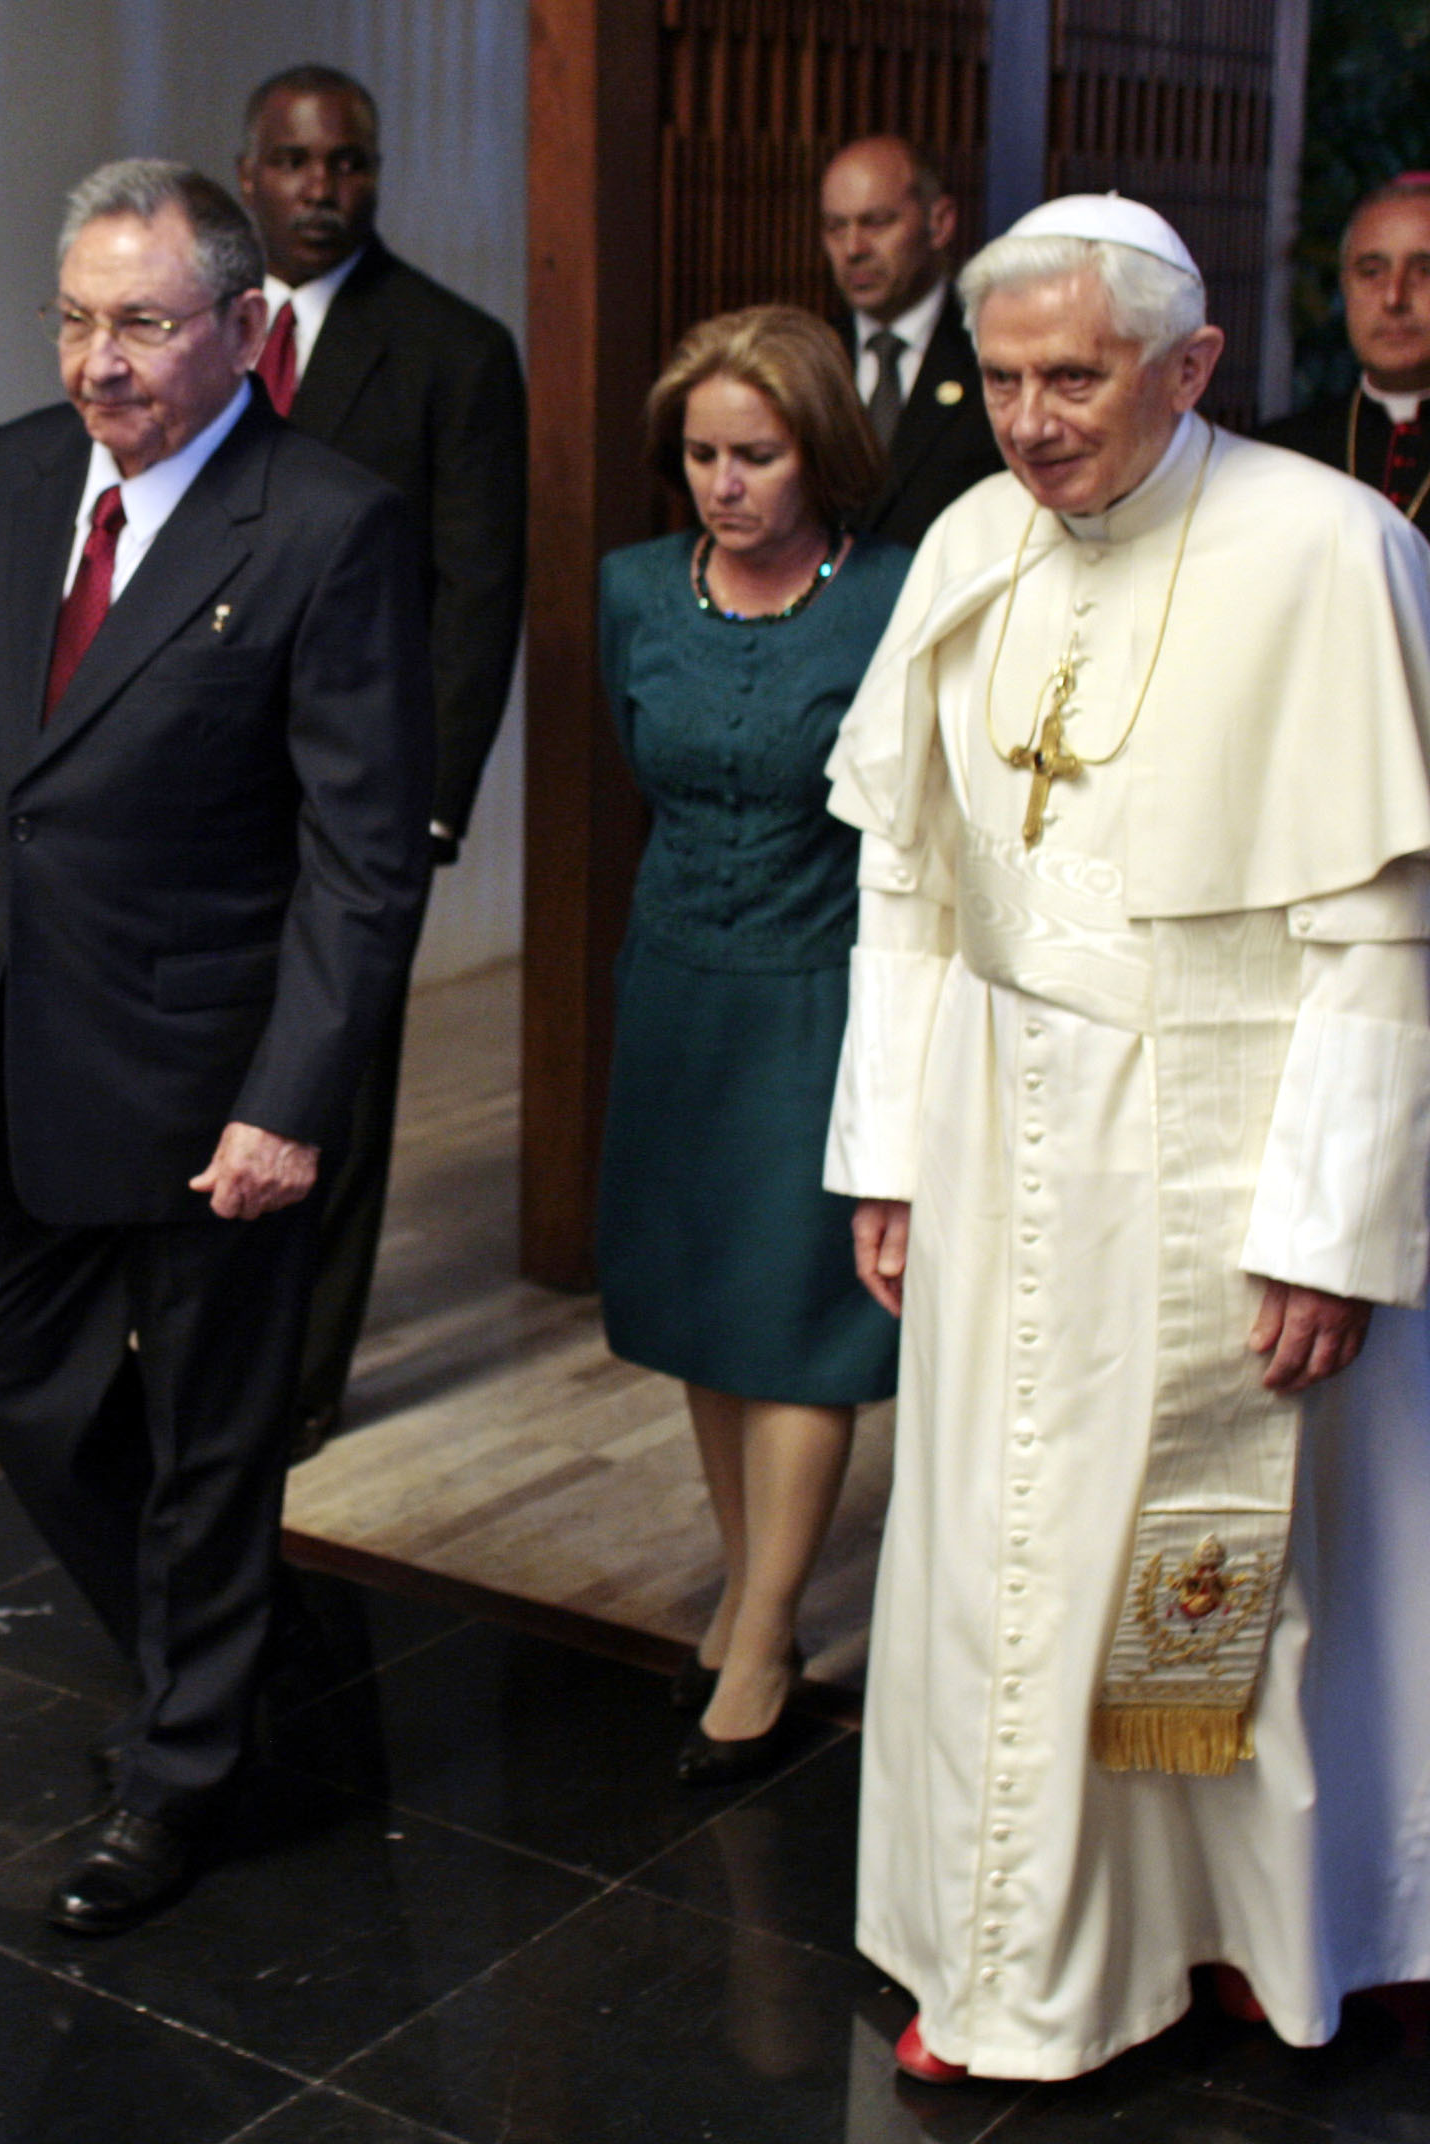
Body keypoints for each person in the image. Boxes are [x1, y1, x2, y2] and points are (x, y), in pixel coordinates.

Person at [823, 193, 1430, 2083]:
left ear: (1189, 365)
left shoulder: (1328, 551)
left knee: (1206, 1571)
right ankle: (1025, 1960)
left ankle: (1242, 1924)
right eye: (1005, 378)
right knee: (1005, 1561)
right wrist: (884, 1146)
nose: (1029, 421)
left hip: (1222, 1151)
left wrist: (1333, 1225)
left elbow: (1389, 924)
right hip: (1000, 1124)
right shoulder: (970, 542)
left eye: (1073, 379)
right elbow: (908, 878)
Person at [0, 158, 432, 1937]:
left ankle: (184, 1770)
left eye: (140, 323)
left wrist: (292, 1099)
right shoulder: (13, 470)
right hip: (2, 1035)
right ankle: (230, 1644)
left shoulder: (327, 524)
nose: (98, 362)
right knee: (1, 1350)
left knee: (209, 1439)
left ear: (241, 327)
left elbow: (360, 858)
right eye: (73, 321)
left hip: (211, 1076)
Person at [594, 306, 908, 1788]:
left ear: (820, 452)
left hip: (819, 991)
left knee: (794, 1315)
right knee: (699, 1305)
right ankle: (743, 1580)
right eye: (704, 456)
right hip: (674, 985)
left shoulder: (892, 599)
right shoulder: (635, 591)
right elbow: (634, 759)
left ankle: (772, 1626)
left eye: (758, 455)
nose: (725, 485)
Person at [234, 63, 529, 1456]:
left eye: (347, 163)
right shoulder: (208, 336)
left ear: (376, 172)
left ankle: (299, 1378)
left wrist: (432, 807)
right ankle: (198, 1333)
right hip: (203, 782)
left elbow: (478, 594)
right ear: (250, 176)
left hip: (362, 794)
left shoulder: (452, 352)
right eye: (295, 163)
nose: (321, 188)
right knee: (205, 1061)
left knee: (333, 1087)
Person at [1263, 175, 1430, 1494]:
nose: (1395, 294)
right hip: (1300, 871)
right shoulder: (1277, 454)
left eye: (1426, 269)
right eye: (1368, 269)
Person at [818, 136, 1007, 548]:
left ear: (938, 223)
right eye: (836, 228)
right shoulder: (808, 356)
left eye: (877, 222)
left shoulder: (994, 353)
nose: (853, 249)